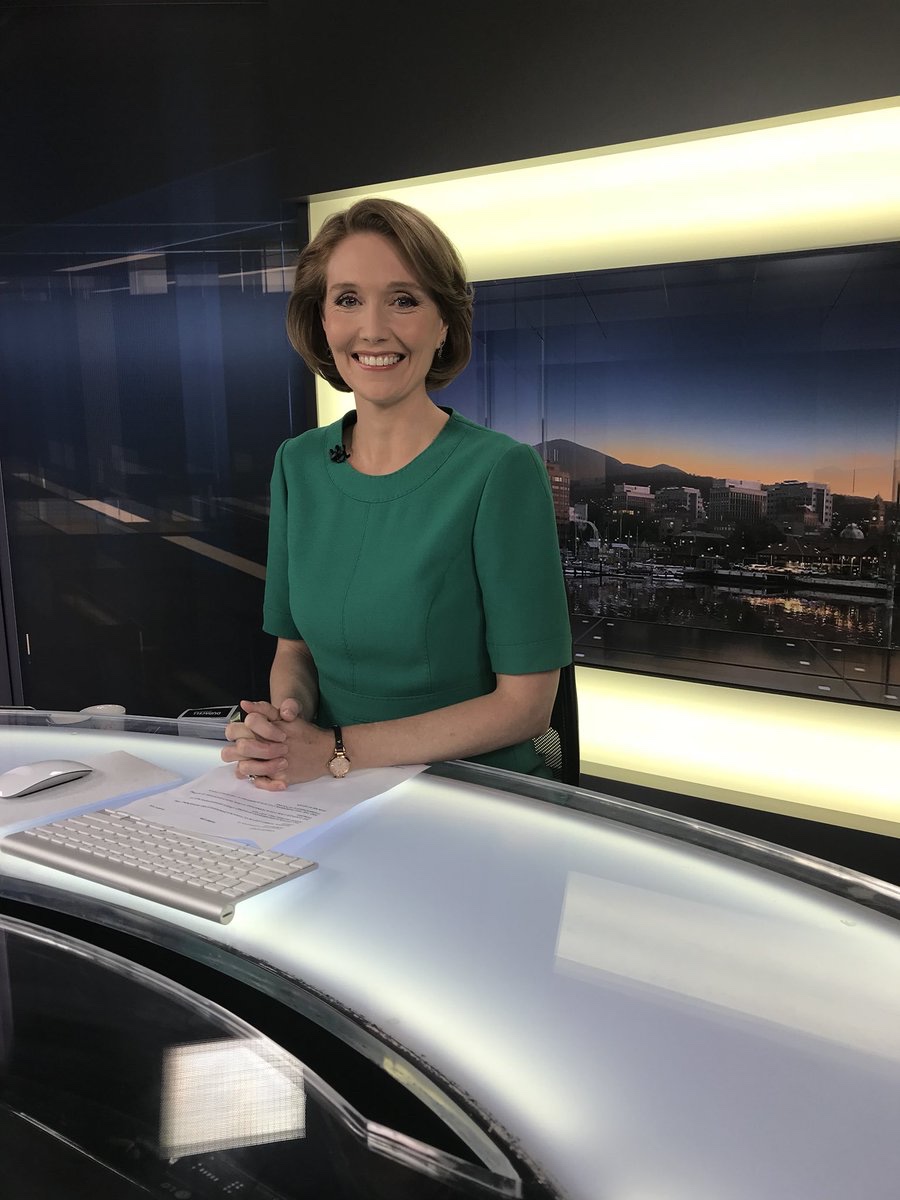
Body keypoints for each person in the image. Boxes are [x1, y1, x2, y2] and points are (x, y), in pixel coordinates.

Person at [222, 197, 571, 788]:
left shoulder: (500, 471)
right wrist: (284, 728)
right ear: (322, 320)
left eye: (403, 300)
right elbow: (294, 650)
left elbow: (526, 708)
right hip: (329, 786)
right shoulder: (296, 464)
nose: (373, 329)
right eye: (347, 299)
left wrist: (335, 750)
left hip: (469, 792)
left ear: (444, 324)